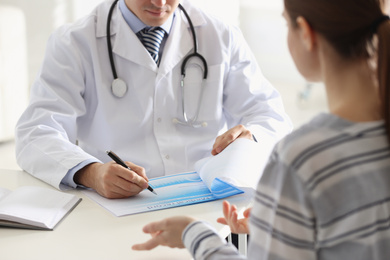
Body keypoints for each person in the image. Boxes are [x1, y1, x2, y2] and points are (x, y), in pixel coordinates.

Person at [132, 0, 390, 259]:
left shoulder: (302, 159)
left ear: (306, 34)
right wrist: (284, 225)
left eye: (286, 23)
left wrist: (194, 233)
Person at [15, 0, 292, 199]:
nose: (159, 2)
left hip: (207, 198)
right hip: (117, 205)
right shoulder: (74, 41)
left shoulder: (221, 35)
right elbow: (35, 134)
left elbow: (271, 115)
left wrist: (250, 135)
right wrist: (92, 173)